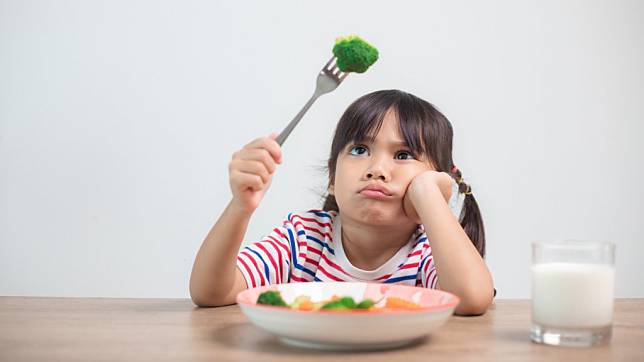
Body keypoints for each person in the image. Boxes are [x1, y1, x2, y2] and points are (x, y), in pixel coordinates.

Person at [190, 89, 494, 315]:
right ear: (332, 178)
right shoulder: (304, 238)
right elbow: (211, 292)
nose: (377, 169)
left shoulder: (429, 251)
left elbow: (472, 299)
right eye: (360, 150)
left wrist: (430, 197)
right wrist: (240, 207)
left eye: (403, 155)